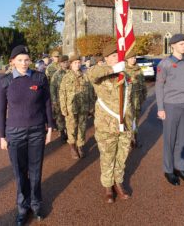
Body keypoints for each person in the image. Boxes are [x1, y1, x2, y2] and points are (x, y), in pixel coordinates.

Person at [0, 45, 53, 226]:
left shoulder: (39, 77)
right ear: (12, 61)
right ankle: (22, 207)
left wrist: (50, 127)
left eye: (26, 60)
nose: (23, 63)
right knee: (20, 173)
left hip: (37, 131)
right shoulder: (5, 81)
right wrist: (2, 136)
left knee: (36, 172)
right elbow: (0, 110)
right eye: (19, 60)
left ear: (30, 61)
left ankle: (36, 204)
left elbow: (47, 103)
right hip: (14, 133)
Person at [87, 43, 133, 204]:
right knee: (107, 157)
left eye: (118, 55)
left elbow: (129, 100)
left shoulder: (125, 75)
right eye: (113, 56)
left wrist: (132, 123)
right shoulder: (99, 72)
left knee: (122, 157)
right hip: (106, 125)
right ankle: (108, 186)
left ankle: (118, 182)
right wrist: (113, 68)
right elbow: (91, 74)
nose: (117, 58)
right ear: (106, 58)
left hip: (125, 124)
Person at [155, 34, 184, 186]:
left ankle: (181, 168)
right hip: (170, 105)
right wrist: (160, 108)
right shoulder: (164, 64)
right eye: (182, 44)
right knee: (170, 140)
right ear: (173, 46)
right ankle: (169, 170)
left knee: (183, 139)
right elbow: (159, 86)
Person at [59, 55, 94, 159]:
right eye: (75, 63)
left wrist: (91, 106)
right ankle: (73, 147)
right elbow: (62, 93)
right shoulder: (66, 77)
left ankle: (80, 145)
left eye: (79, 62)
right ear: (71, 64)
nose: (77, 64)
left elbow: (90, 92)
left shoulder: (85, 76)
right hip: (71, 108)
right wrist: (63, 108)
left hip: (83, 107)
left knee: (82, 128)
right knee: (71, 128)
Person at [125, 51, 147, 148]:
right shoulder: (123, 70)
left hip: (137, 100)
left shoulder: (139, 70)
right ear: (127, 59)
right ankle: (128, 141)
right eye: (131, 58)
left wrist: (144, 96)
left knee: (136, 121)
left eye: (134, 58)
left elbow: (143, 85)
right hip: (127, 101)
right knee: (128, 121)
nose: (133, 59)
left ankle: (135, 138)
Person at [50, 55, 69, 142]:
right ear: (60, 63)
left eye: (67, 62)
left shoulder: (71, 72)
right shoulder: (56, 75)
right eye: (63, 62)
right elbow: (53, 88)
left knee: (69, 116)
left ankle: (69, 132)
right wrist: (54, 101)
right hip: (59, 99)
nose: (65, 64)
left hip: (69, 99)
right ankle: (62, 133)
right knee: (60, 117)